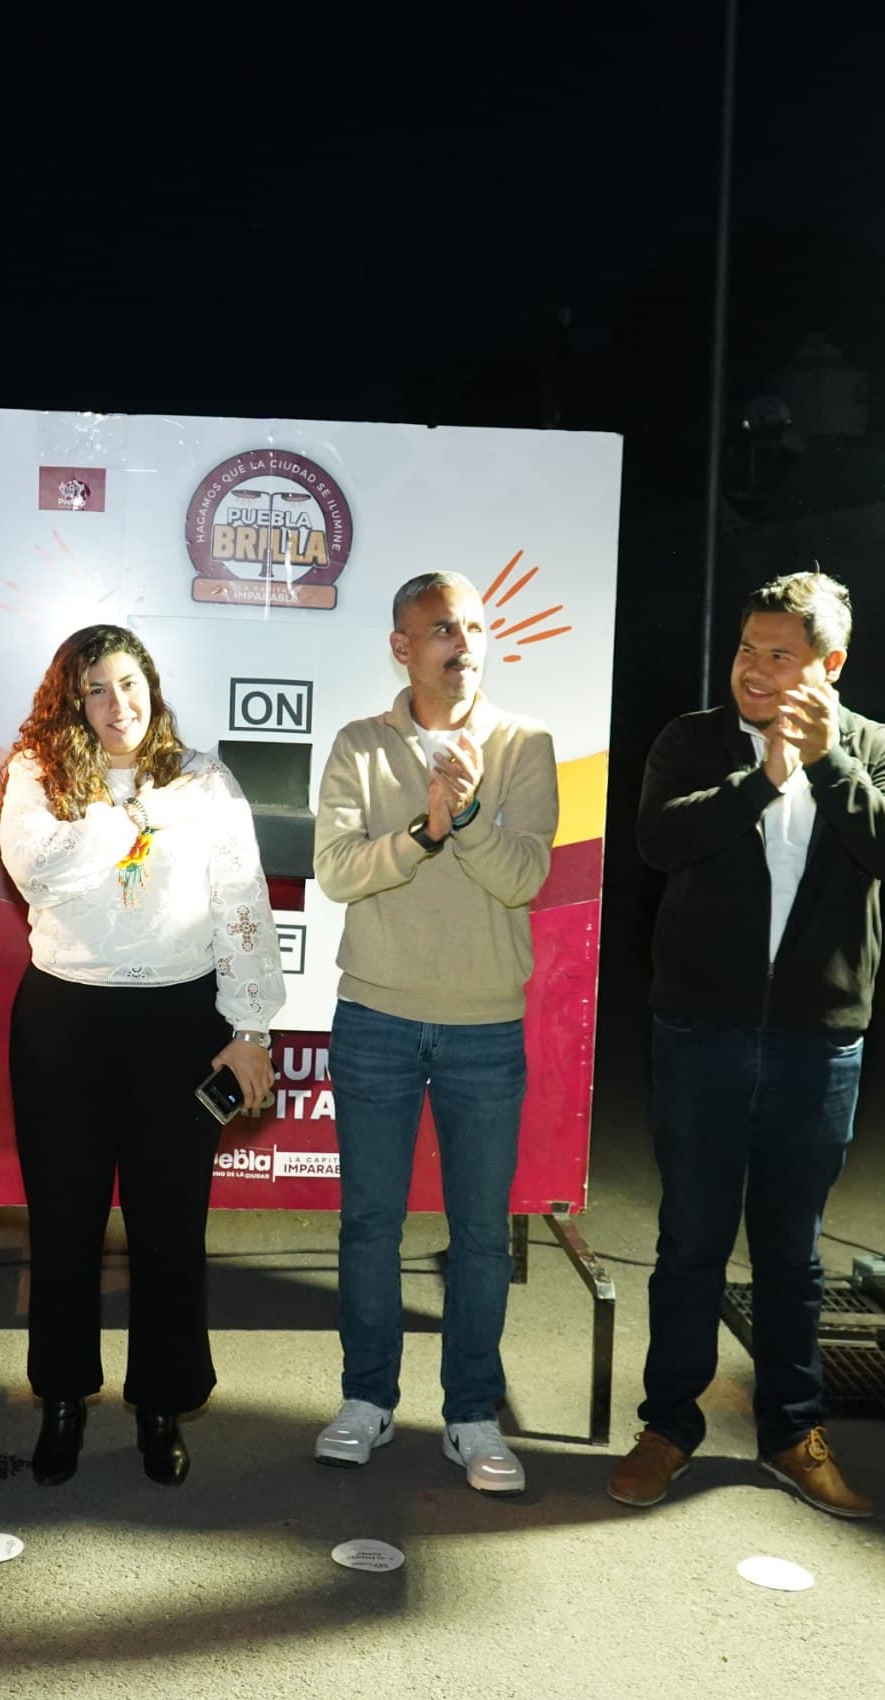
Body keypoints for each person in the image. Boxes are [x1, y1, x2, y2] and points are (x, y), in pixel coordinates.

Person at [617, 569, 885, 1519]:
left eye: (780, 654)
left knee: (793, 1254)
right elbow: (659, 840)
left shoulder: (880, 750)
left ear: (831, 664)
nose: (753, 668)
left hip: (816, 1045)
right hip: (699, 1033)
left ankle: (793, 1432)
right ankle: (668, 1426)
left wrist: (826, 766)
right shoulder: (692, 739)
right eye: (747, 649)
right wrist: (763, 779)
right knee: (691, 1240)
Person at [0, 624, 283, 1488]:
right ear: (70, 702)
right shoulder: (37, 775)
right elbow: (37, 870)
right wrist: (126, 814)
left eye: (129, 683)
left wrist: (251, 1028)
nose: (117, 704)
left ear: (151, 687)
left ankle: (163, 1405)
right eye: (95, 689)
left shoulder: (204, 779)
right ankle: (62, 1401)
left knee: (169, 1227)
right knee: (64, 1222)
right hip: (65, 1020)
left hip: (178, 1023)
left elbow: (241, 901)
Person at [311, 571, 557, 1495]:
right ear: (402, 647)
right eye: (444, 627)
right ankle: (365, 1399)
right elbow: (337, 872)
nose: (464, 642)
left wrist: (472, 815)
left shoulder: (524, 743)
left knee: (481, 1236)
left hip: (484, 1025)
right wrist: (425, 831)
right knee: (369, 1223)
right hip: (375, 1014)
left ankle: (471, 1415)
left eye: (476, 627)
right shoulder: (359, 744)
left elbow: (523, 876)